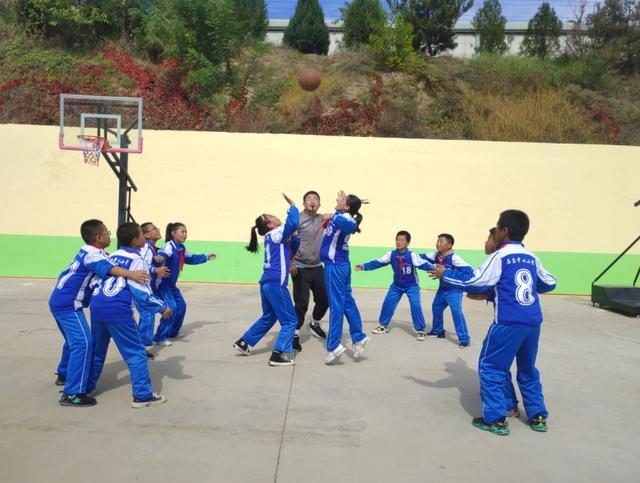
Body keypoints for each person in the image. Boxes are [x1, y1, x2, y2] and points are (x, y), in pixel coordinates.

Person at [431, 210, 557, 435]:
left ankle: (497, 419)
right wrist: (496, 293)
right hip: (533, 323)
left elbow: (476, 281)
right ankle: (538, 416)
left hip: (508, 322)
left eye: (497, 227)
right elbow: (549, 283)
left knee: (490, 367)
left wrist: (446, 275)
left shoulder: (500, 256)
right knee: (528, 369)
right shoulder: (531, 257)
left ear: (504, 231)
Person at [48, 219, 149, 407]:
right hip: (69, 304)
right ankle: (72, 393)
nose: (109, 235)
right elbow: (107, 268)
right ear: (98, 237)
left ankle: (64, 374)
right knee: (83, 343)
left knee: (74, 341)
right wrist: (132, 274)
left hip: (61, 301)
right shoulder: (92, 254)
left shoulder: (91, 252)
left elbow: (104, 264)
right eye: (106, 232)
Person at [87, 222, 171, 408]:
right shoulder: (136, 259)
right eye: (141, 234)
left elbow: (94, 281)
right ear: (135, 240)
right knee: (136, 353)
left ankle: (87, 387)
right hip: (118, 310)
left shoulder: (111, 256)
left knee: (97, 350)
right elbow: (141, 291)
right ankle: (142, 396)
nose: (144, 237)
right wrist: (161, 307)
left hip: (98, 306)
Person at [233, 194, 299, 366]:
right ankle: (278, 354)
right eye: (272, 216)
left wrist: (295, 236)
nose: (276, 216)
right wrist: (292, 206)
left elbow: (292, 248)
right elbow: (292, 222)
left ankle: (244, 342)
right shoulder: (277, 233)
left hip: (267, 283)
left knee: (269, 316)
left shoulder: (272, 236)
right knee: (290, 320)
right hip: (276, 283)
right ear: (270, 224)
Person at [320, 191, 370, 365]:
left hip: (335, 267)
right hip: (341, 266)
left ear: (347, 206)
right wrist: (353, 204)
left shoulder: (343, 218)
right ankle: (359, 337)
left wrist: (344, 211)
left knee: (336, 306)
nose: (337, 199)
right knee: (347, 302)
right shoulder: (342, 215)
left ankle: (334, 346)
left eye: (342, 199)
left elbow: (350, 225)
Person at [355, 230, 432, 340]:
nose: (399, 242)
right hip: (397, 285)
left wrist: (438, 271)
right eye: (397, 240)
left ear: (407, 243)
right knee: (388, 303)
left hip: (412, 286)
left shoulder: (412, 255)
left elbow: (424, 264)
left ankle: (421, 330)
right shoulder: (391, 254)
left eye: (402, 240)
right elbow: (379, 262)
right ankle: (383, 326)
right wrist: (364, 266)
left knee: (415, 305)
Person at [153, 222, 216, 345]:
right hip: (163, 284)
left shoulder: (181, 247)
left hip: (172, 285)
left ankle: (172, 332)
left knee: (181, 306)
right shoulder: (168, 246)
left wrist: (206, 257)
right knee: (171, 308)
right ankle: (160, 337)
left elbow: (190, 258)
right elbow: (163, 256)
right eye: (182, 232)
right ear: (173, 233)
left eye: (186, 232)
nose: (185, 234)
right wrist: (159, 259)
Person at [290, 190, 329, 352]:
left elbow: (340, 214)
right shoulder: (297, 219)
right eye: (309, 199)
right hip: (300, 267)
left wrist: (354, 203)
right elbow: (289, 241)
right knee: (301, 303)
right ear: (304, 203)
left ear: (319, 204)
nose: (312, 201)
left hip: (317, 266)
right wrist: (291, 263)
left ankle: (314, 323)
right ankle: (294, 334)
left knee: (325, 298)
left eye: (315, 199)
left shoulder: (322, 219)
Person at [422, 233, 473, 347]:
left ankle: (464, 338)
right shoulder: (436, 255)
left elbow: (469, 272)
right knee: (436, 307)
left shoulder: (455, 258)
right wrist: (408, 255)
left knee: (456, 312)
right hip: (442, 289)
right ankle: (437, 331)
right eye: (437, 241)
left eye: (441, 241)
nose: (438, 243)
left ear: (449, 245)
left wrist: (447, 272)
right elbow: (422, 256)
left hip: (454, 291)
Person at [138, 222, 170, 358]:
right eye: (154, 229)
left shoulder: (150, 248)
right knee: (147, 315)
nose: (158, 230)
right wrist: (155, 269)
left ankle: (140, 347)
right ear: (146, 235)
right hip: (141, 286)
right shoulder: (146, 247)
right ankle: (140, 348)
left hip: (146, 286)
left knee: (147, 315)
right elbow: (142, 264)